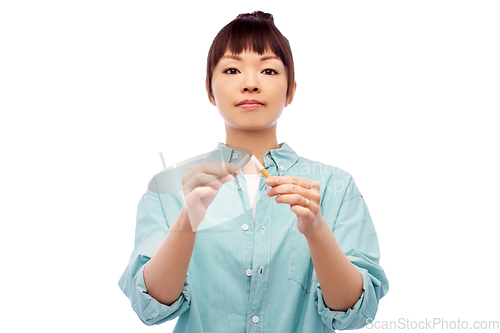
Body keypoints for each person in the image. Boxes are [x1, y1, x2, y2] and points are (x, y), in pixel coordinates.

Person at [118, 11, 388, 332]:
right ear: (210, 89)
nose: (250, 84)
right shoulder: (170, 188)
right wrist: (188, 219)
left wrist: (315, 228)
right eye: (232, 69)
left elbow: (355, 313)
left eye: (269, 70)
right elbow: (151, 307)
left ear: (290, 91)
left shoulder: (336, 186)